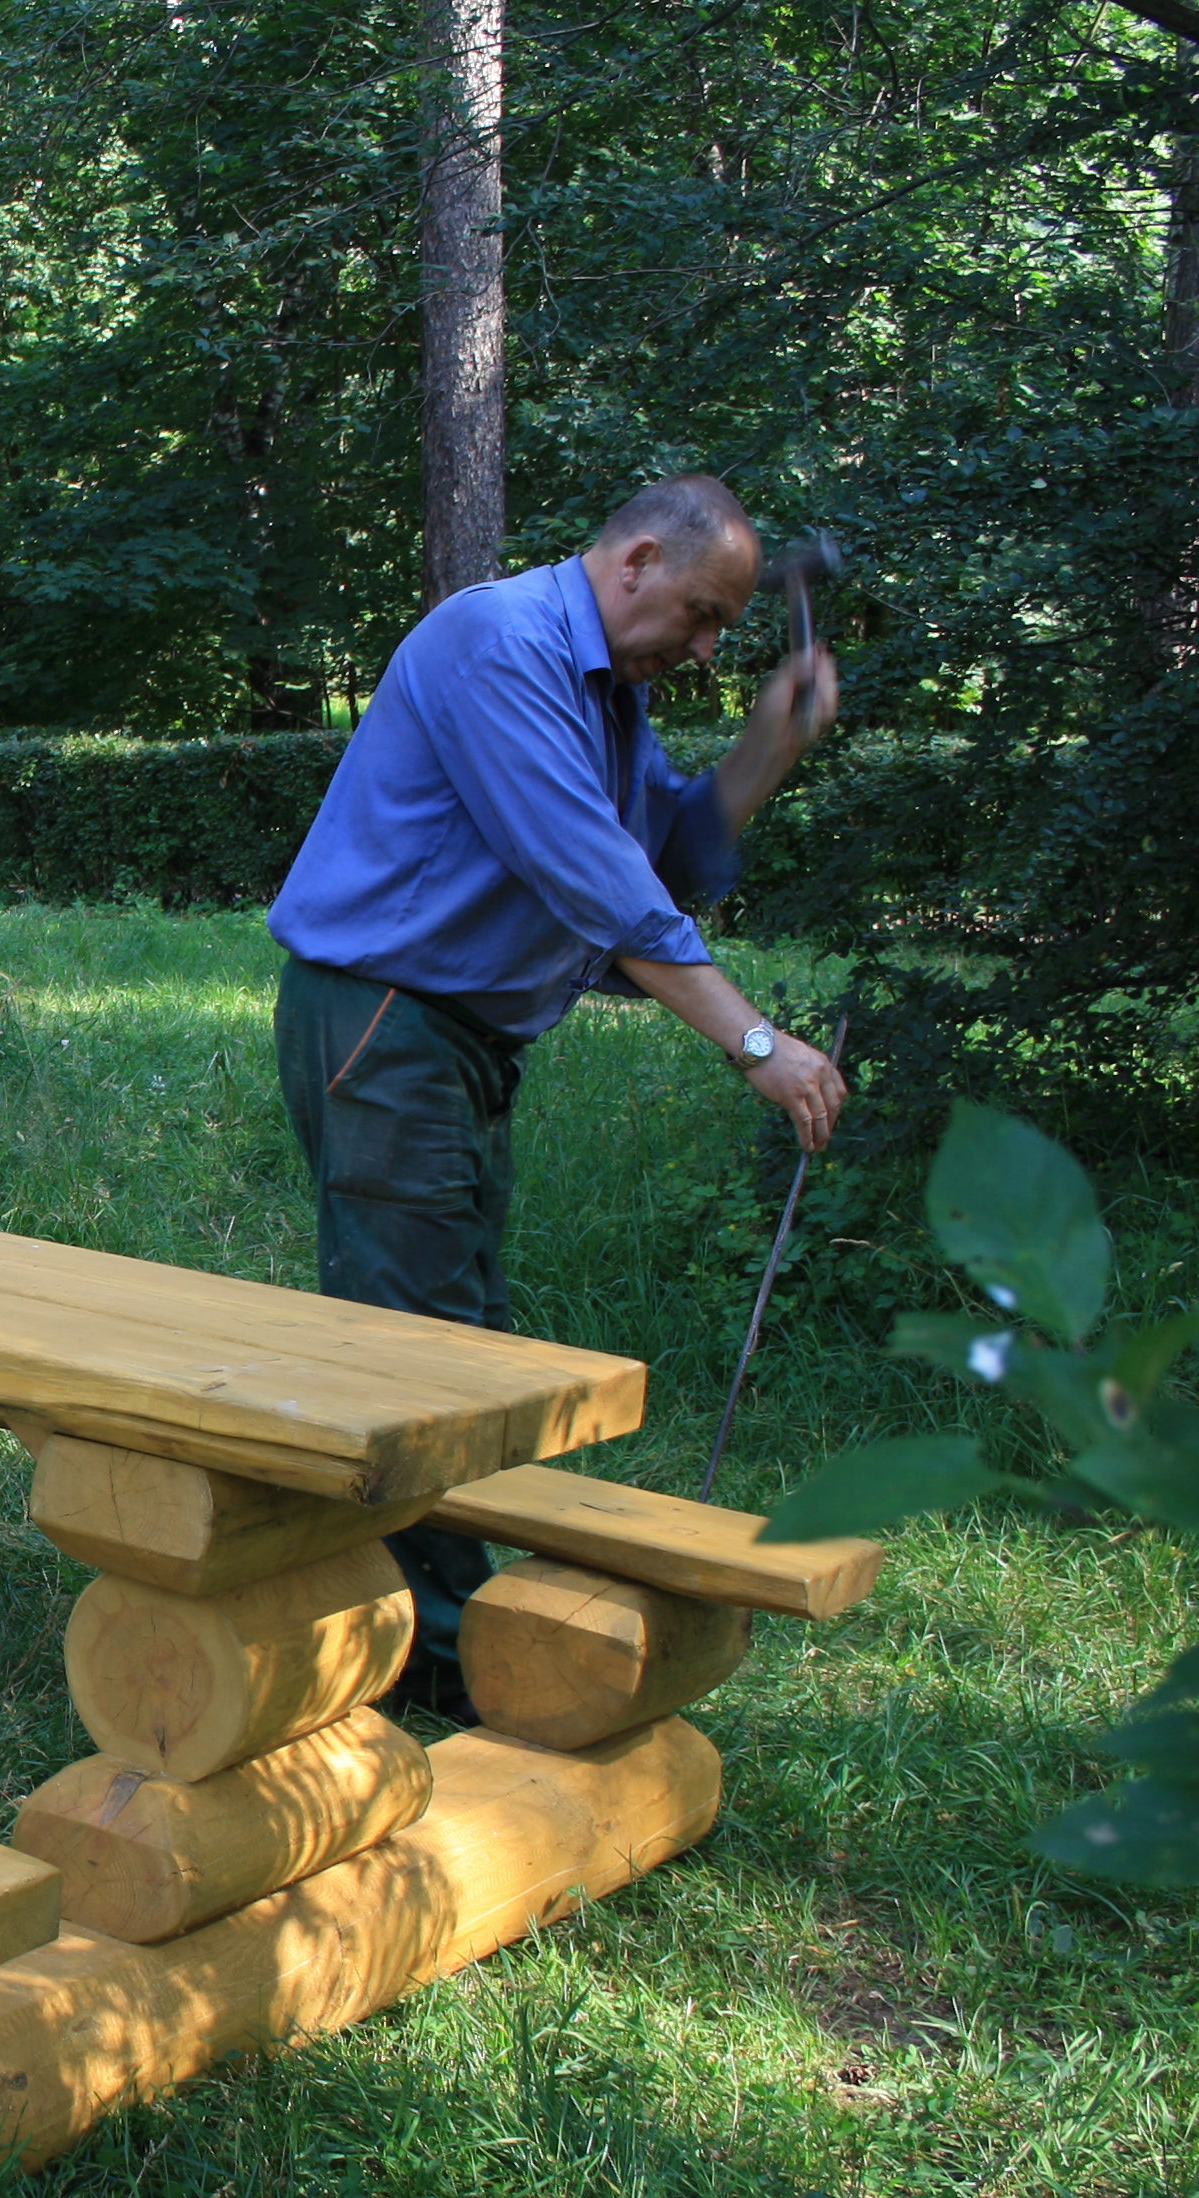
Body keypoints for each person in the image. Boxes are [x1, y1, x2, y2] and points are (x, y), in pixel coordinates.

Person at [268, 473, 847, 1719]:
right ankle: (437, 1666)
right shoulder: (502, 644)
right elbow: (600, 885)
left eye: (722, 635)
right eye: (697, 616)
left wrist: (766, 745)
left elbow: (671, 857)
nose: (699, 650)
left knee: (464, 1339)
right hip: (385, 1018)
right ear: (635, 558)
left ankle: (442, 1628)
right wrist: (759, 1046)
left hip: (461, 1040)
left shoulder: (606, 690)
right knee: (411, 1350)